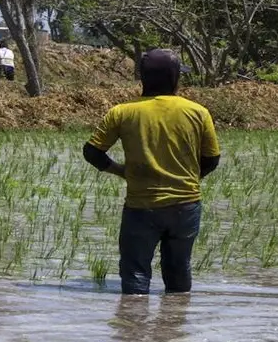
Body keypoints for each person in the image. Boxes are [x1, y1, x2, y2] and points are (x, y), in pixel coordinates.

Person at [82, 48, 221, 296]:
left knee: (135, 273)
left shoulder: (122, 113)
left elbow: (92, 152)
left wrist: (121, 171)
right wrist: (188, 179)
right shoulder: (198, 112)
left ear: (143, 79)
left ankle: (133, 327)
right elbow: (211, 159)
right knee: (179, 270)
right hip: (185, 206)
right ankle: (174, 326)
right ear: (175, 78)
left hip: (140, 207)